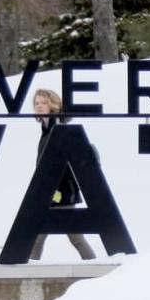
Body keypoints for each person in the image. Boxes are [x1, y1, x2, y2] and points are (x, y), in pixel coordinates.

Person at [29, 88, 96, 261]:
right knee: (41, 235)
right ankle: (29, 270)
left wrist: (52, 189)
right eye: (36, 103)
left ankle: (96, 268)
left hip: (61, 191)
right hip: (50, 191)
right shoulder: (47, 130)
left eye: (44, 102)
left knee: (70, 236)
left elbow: (65, 164)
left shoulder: (58, 128)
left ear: (53, 104)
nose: (39, 106)